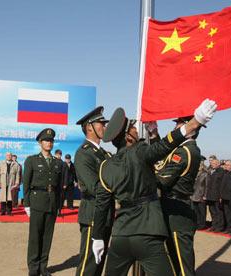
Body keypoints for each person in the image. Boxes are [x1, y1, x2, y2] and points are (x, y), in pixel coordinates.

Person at [92, 99, 217, 276]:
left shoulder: (106, 166)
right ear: (128, 136)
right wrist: (195, 122)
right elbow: (165, 145)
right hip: (147, 232)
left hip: (120, 235)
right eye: (134, 127)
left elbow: (102, 205)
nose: (137, 129)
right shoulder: (141, 151)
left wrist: (97, 237)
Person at [156, 116, 205, 276]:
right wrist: (154, 135)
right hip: (173, 207)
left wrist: (141, 170)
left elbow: (163, 179)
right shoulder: (182, 149)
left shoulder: (184, 152)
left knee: (182, 263)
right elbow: (162, 160)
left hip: (177, 210)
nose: (175, 127)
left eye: (179, 124)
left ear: (190, 128)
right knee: (175, 258)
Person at [74, 106, 112, 276]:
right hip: (92, 215)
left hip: (106, 214)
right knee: (88, 266)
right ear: (89, 127)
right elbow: (94, 187)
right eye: (101, 124)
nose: (104, 127)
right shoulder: (84, 154)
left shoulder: (103, 153)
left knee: (98, 266)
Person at [23, 128, 63, 276]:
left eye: (51, 141)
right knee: (35, 237)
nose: (49, 143)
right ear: (40, 143)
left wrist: (59, 205)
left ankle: (43, 267)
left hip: (52, 202)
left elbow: (58, 188)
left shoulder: (58, 163)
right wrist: (26, 204)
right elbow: (26, 184)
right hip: (37, 201)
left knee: (47, 237)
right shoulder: (32, 160)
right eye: (46, 140)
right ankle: (33, 268)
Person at [205, 155, 224, 232]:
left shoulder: (221, 172)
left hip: (217, 195)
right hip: (210, 196)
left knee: (218, 212)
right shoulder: (210, 172)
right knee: (212, 212)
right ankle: (214, 225)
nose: (213, 164)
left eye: (214, 163)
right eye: (212, 163)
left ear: (218, 164)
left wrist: (220, 196)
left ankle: (219, 227)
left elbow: (222, 185)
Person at [191, 157, 208, 230]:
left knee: (202, 211)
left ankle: (202, 225)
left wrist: (205, 195)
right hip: (194, 195)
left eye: (199, 165)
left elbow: (207, 186)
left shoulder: (205, 174)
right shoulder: (194, 173)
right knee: (196, 211)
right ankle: (197, 223)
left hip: (201, 195)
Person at [54, 149, 66, 216]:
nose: (59, 156)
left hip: (60, 183)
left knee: (60, 198)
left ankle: (59, 211)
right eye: (58, 154)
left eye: (60, 154)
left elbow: (65, 174)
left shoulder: (63, 163)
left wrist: (65, 183)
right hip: (53, 183)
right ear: (55, 154)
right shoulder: (52, 161)